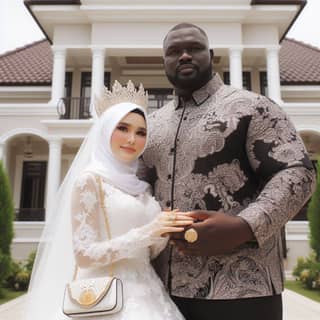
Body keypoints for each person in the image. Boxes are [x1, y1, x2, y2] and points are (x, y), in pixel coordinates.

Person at [139, 23, 316, 320]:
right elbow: (137, 191)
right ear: (164, 62)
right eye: (174, 51)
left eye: (193, 48)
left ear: (211, 55)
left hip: (243, 288)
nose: (184, 55)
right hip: (162, 292)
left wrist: (244, 226)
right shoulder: (151, 126)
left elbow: (297, 173)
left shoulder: (252, 107)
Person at [24, 81, 191, 320]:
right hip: (104, 296)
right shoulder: (90, 181)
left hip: (150, 292)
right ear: (104, 130)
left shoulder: (141, 188)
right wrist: (148, 231)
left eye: (141, 132)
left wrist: (164, 229)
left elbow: (147, 252)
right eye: (122, 128)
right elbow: (84, 254)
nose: (132, 139)